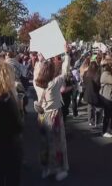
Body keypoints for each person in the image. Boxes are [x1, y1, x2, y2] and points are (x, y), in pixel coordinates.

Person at [33, 46, 70, 181]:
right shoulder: (55, 83)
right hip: (54, 115)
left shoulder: (37, 83)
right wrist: (66, 54)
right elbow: (65, 72)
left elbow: (36, 70)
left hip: (42, 116)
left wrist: (40, 59)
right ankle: (59, 169)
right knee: (58, 142)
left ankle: (46, 168)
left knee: (44, 143)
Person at [100, 61, 112, 138]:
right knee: (107, 115)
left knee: (111, 113)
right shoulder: (105, 74)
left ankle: (109, 129)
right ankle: (104, 131)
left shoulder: (107, 73)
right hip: (107, 97)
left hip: (109, 96)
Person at [83, 61, 103, 127]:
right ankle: (98, 121)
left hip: (88, 92)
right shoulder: (97, 74)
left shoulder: (86, 73)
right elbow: (99, 84)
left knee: (90, 107)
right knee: (98, 107)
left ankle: (91, 121)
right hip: (96, 92)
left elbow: (84, 82)